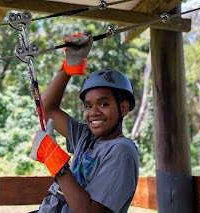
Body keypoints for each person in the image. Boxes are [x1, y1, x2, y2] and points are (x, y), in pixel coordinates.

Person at [29, 31, 139, 213]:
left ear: (124, 108)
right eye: (88, 106)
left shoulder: (121, 150)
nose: (94, 112)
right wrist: (68, 68)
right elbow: (46, 109)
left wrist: (55, 161)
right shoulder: (85, 137)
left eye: (104, 104)